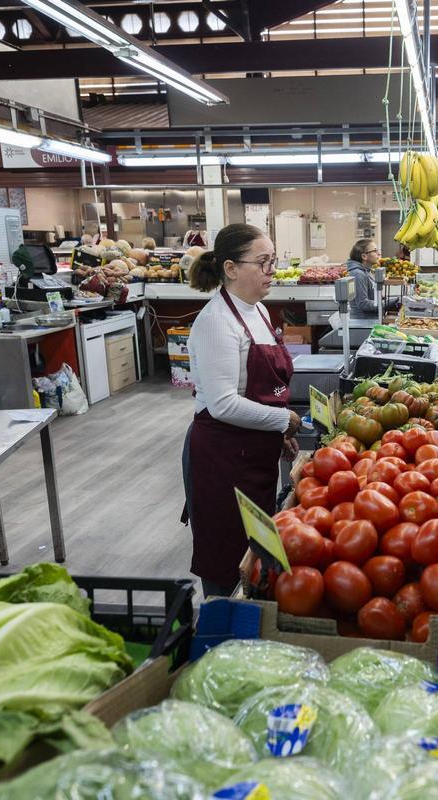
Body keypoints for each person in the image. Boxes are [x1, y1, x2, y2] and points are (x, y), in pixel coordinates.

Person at [181, 224, 301, 597]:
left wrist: (274, 433)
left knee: (256, 554)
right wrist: (283, 420)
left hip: (254, 452)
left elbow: (258, 391)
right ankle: (221, 628)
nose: (272, 271)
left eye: (274, 261)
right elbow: (222, 405)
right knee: (226, 555)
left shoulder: (260, 312)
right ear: (231, 269)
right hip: (223, 456)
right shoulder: (217, 322)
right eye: (263, 262)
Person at [346, 239, 396, 317]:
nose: (379, 253)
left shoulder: (368, 271)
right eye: (375, 250)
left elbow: (372, 295)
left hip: (372, 318)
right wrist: (386, 303)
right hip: (363, 321)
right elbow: (363, 304)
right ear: (364, 256)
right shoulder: (358, 274)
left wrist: (386, 299)